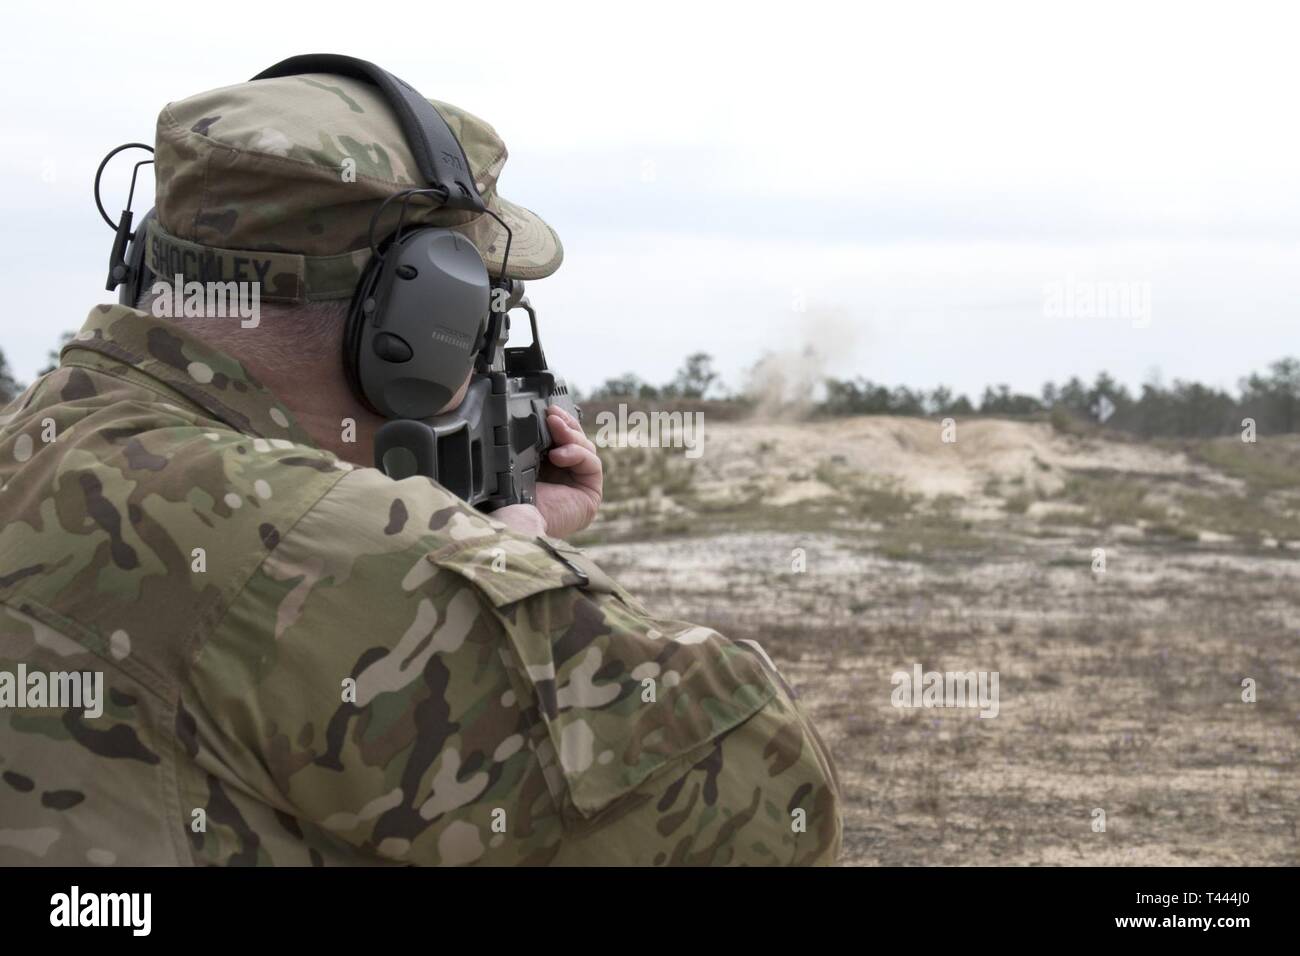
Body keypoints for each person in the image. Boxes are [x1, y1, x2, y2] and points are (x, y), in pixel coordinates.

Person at [0, 66, 841, 865]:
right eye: (486, 313)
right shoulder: (330, 553)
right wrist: (506, 565)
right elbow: (770, 799)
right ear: (419, 314)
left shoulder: (36, 446)